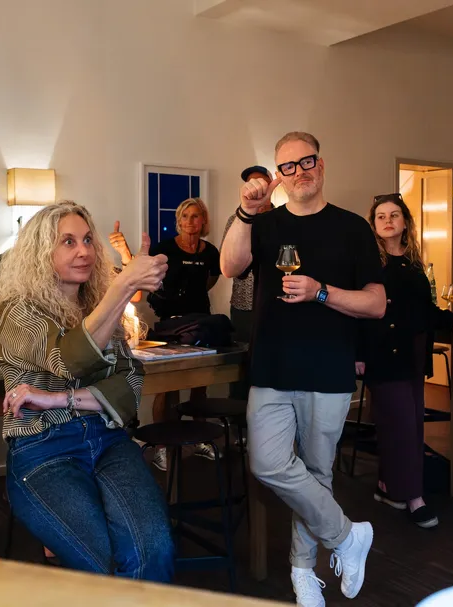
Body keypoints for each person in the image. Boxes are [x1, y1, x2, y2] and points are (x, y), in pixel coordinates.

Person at [220, 131, 386, 606]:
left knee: (317, 473)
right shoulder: (265, 224)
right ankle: (348, 536)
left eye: (306, 161)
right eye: (287, 166)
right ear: (278, 175)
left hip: (329, 368)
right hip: (272, 367)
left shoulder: (353, 227)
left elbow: (376, 304)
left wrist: (321, 292)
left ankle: (303, 576)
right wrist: (248, 210)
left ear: (322, 163)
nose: (299, 172)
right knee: (267, 462)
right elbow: (231, 265)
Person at [0, 201, 174, 580]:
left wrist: (58, 398)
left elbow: (131, 382)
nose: (85, 251)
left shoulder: (96, 306)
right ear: (42, 253)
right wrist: (124, 285)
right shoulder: (20, 312)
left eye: (89, 240)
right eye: (68, 241)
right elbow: (70, 360)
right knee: (102, 562)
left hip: (108, 439)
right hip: (43, 447)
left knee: (154, 549)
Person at [356, 193, 453, 530]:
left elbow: (424, 308)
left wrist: (451, 320)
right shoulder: (367, 263)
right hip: (381, 353)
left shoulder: (416, 264)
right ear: (373, 225)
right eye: (380, 216)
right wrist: (358, 353)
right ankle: (414, 497)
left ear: (405, 222)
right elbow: (358, 310)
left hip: (414, 353)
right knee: (402, 425)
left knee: (407, 422)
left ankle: (387, 486)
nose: (388, 221)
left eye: (394, 215)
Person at [109, 197, 221, 470]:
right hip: (169, 325)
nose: (191, 222)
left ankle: (198, 438)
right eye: (186, 217)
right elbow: (142, 278)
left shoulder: (210, 252)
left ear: (203, 221)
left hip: (199, 322)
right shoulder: (165, 249)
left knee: (200, 383)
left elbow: (211, 280)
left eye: (196, 216)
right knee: (168, 388)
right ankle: (162, 446)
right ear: (179, 221)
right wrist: (124, 251)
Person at [221, 165, 274, 401]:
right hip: (243, 303)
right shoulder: (236, 219)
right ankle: (237, 415)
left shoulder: (280, 218)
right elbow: (227, 261)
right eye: (251, 183)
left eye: (261, 182)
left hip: (272, 302)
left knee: (269, 358)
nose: (257, 187)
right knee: (241, 359)